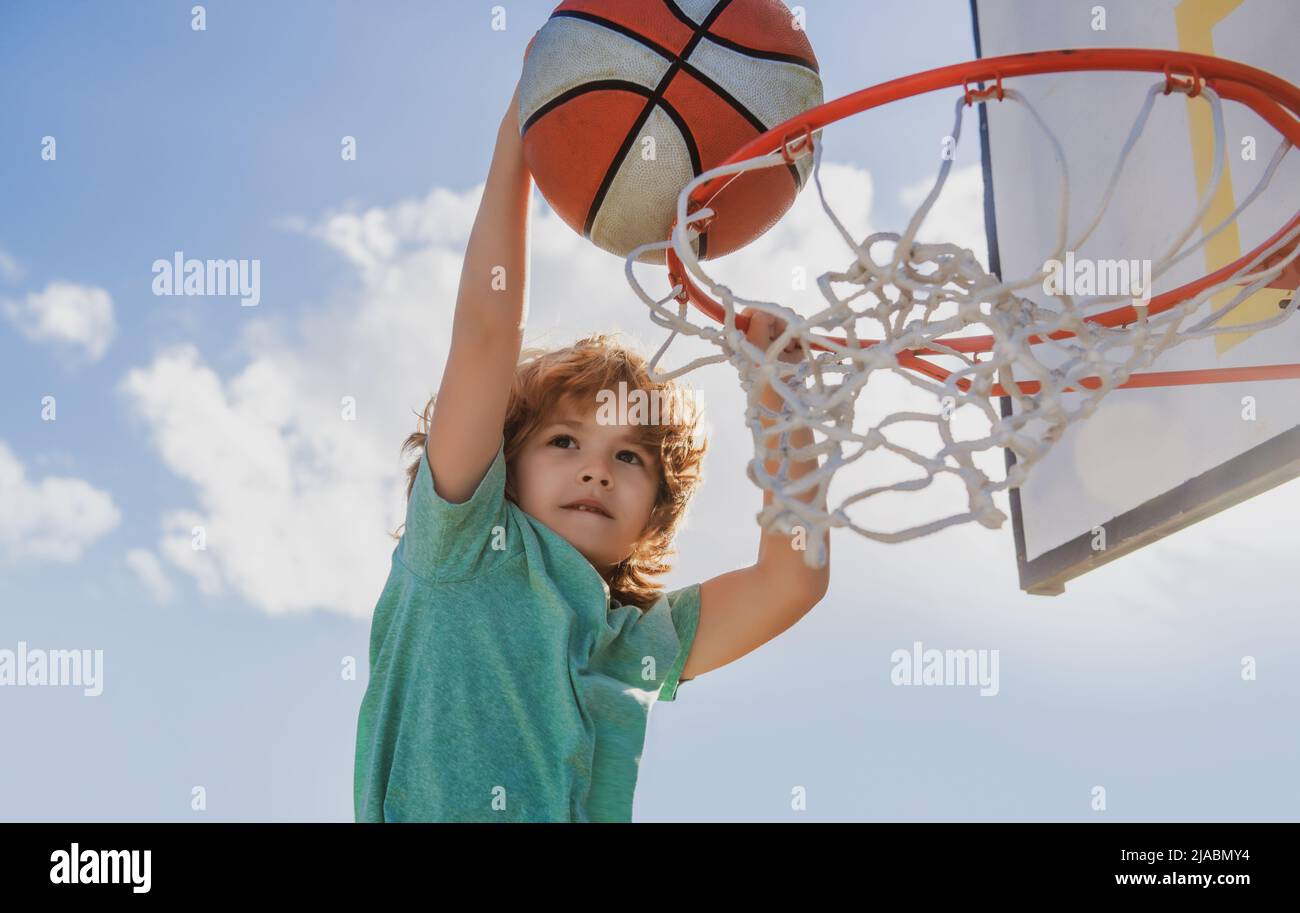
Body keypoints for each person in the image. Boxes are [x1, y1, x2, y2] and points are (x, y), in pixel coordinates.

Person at [354, 79, 829, 823]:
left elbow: (790, 580)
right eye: (565, 439)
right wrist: (521, 127)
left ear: (653, 518)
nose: (596, 466)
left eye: (631, 458)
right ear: (505, 466)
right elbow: (486, 330)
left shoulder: (633, 642)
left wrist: (781, 401)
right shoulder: (461, 544)